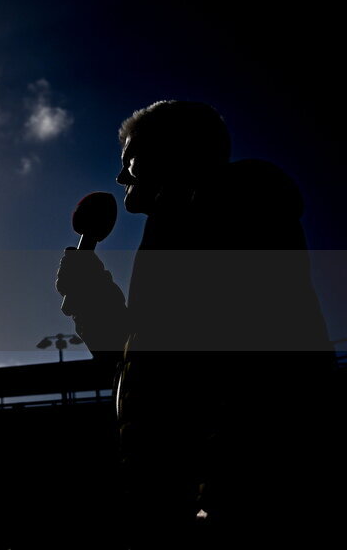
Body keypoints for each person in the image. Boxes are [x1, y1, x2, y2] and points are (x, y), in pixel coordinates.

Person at [56, 101, 339, 547]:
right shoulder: (174, 234)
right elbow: (147, 368)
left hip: (239, 503)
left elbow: (248, 372)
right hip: (184, 496)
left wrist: (214, 493)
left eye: (129, 162)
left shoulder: (237, 207)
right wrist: (90, 293)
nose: (120, 178)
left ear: (170, 155)